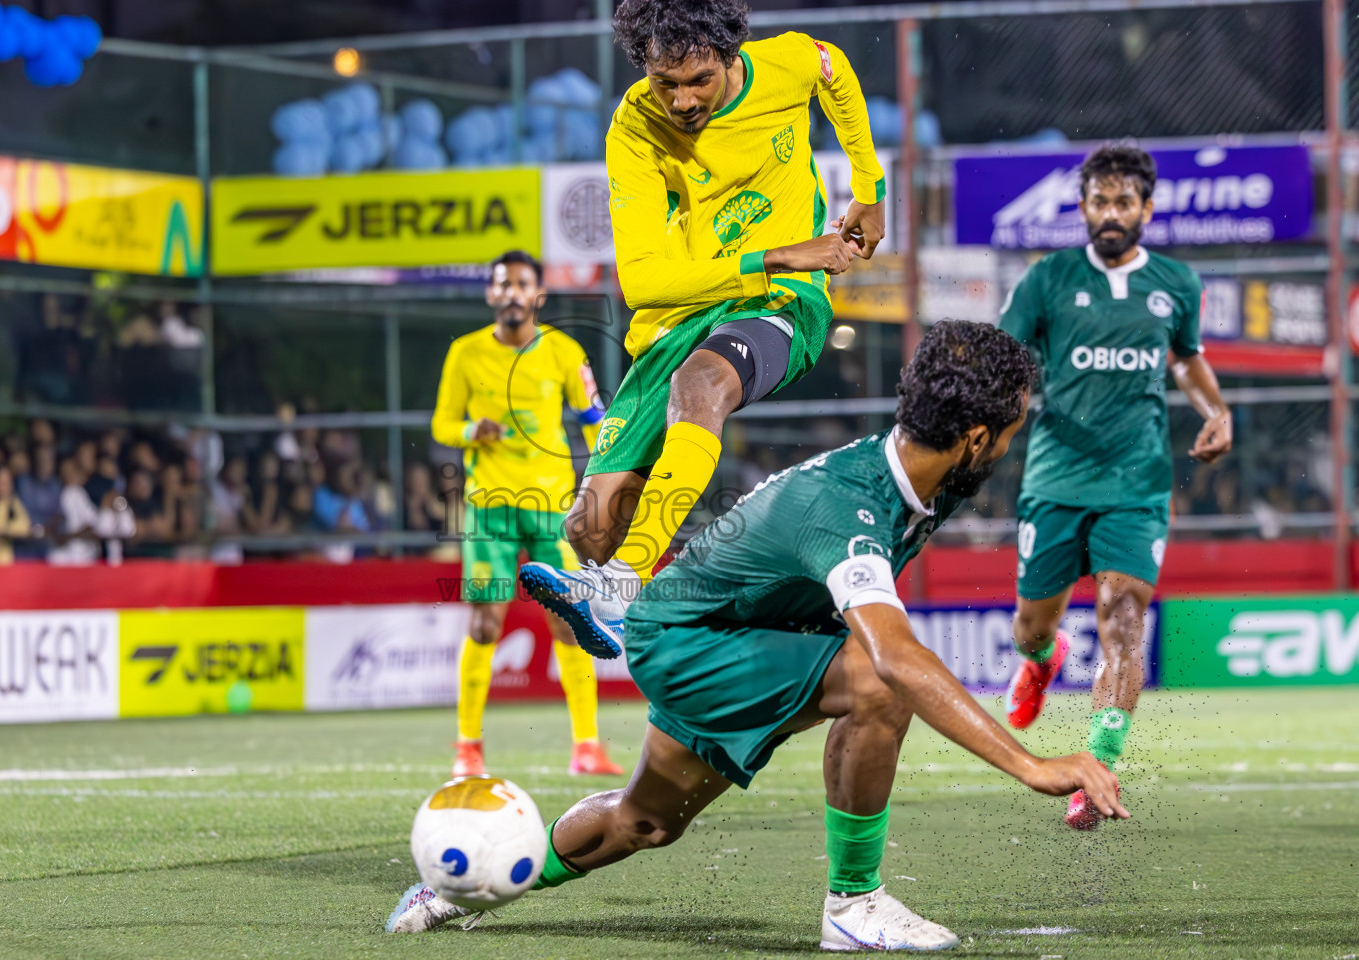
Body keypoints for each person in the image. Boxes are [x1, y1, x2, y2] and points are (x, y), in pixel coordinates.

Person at [389, 322, 1127, 948]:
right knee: (879, 679)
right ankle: (852, 905)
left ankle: (464, 888)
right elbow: (896, 658)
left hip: (723, 633)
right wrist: (1033, 766)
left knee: (644, 822)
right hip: (694, 643)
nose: (1007, 449)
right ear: (972, 438)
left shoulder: (911, 470)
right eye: (1007, 434)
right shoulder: (851, 508)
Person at [520, 0, 885, 656]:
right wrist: (776, 254)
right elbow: (646, 285)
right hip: (689, 308)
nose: (683, 100)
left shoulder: (783, 65)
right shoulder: (632, 129)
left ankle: (624, 589)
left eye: (699, 80)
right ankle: (696, 602)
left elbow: (829, 66)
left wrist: (869, 186)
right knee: (588, 529)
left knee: (701, 387)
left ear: (729, 55)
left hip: (784, 304)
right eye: (666, 83)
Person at [997, 145, 1232, 829]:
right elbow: (1006, 360)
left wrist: (1216, 411)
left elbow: (1186, 361)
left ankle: (1097, 767)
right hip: (1055, 476)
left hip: (1137, 482)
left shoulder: (1176, 283)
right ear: (1082, 208)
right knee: (1029, 625)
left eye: (1123, 201)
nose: (1109, 213)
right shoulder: (1049, 279)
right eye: (1098, 201)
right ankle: (1044, 659)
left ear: (1146, 209)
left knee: (1123, 618)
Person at [430, 250, 621, 779]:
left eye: (522, 284)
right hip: (488, 505)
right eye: (502, 284)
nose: (512, 292)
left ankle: (587, 746)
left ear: (538, 295)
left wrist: (605, 479)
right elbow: (443, 424)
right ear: (491, 294)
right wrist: (471, 431)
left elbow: (592, 417)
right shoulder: (466, 354)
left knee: (569, 621)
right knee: (486, 623)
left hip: (551, 507)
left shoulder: (564, 350)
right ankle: (468, 747)